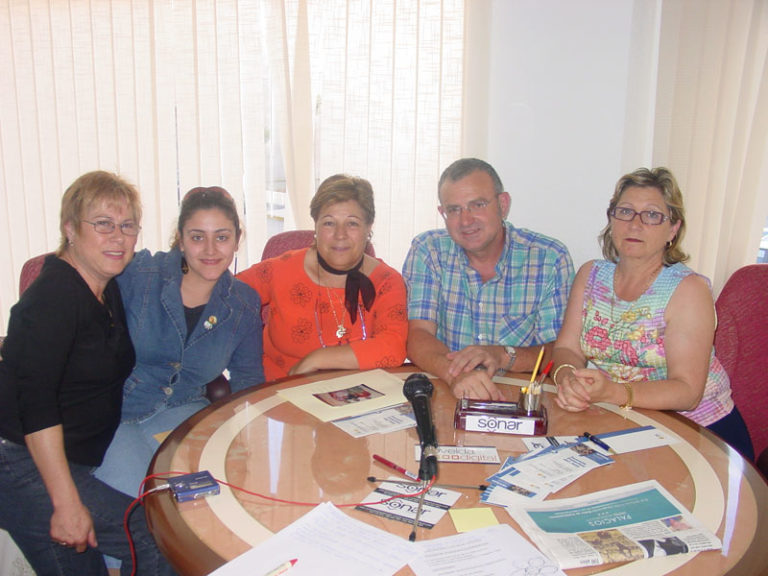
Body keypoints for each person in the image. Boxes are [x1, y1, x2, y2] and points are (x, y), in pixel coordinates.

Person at [0, 171, 174, 575]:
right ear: (70, 229)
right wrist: (66, 503)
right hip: (18, 463)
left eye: (127, 226)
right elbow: (37, 407)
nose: (118, 237)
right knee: (152, 538)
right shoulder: (52, 299)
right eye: (103, 224)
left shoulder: (102, 283)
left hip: (66, 461)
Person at [551, 167, 754, 460]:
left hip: (701, 434)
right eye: (625, 212)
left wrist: (612, 392)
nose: (635, 224)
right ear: (611, 219)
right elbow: (567, 347)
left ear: (673, 229)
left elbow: (687, 391)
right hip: (627, 424)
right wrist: (567, 378)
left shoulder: (688, 289)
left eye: (652, 215)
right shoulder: (590, 275)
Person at [95, 186, 264, 497]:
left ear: (238, 239)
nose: (211, 250)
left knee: (215, 497)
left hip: (184, 411)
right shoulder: (138, 274)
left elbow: (248, 379)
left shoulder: (243, 304)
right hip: (115, 414)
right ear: (181, 239)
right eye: (198, 237)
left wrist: (246, 440)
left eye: (222, 237)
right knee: (141, 504)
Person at [402, 158, 574, 400]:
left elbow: (562, 351)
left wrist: (503, 355)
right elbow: (417, 334)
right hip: (447, 390)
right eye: (454, 209)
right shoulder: (428, 250)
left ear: (503, 205)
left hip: (520, 398)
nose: (466, 220)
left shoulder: (548, 258)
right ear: (442, 213)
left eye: (478, 205)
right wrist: (456, 375)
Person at [237, 174, 408, 381]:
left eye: (352, 223)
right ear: (315, 226)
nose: (340, 234)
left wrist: (316, 359)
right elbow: (226, 295)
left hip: (357, 398)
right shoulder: (280, 270)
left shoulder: (386, 283)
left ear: (368, 227)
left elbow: (393, 347)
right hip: (279, 392)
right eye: (329, 223)